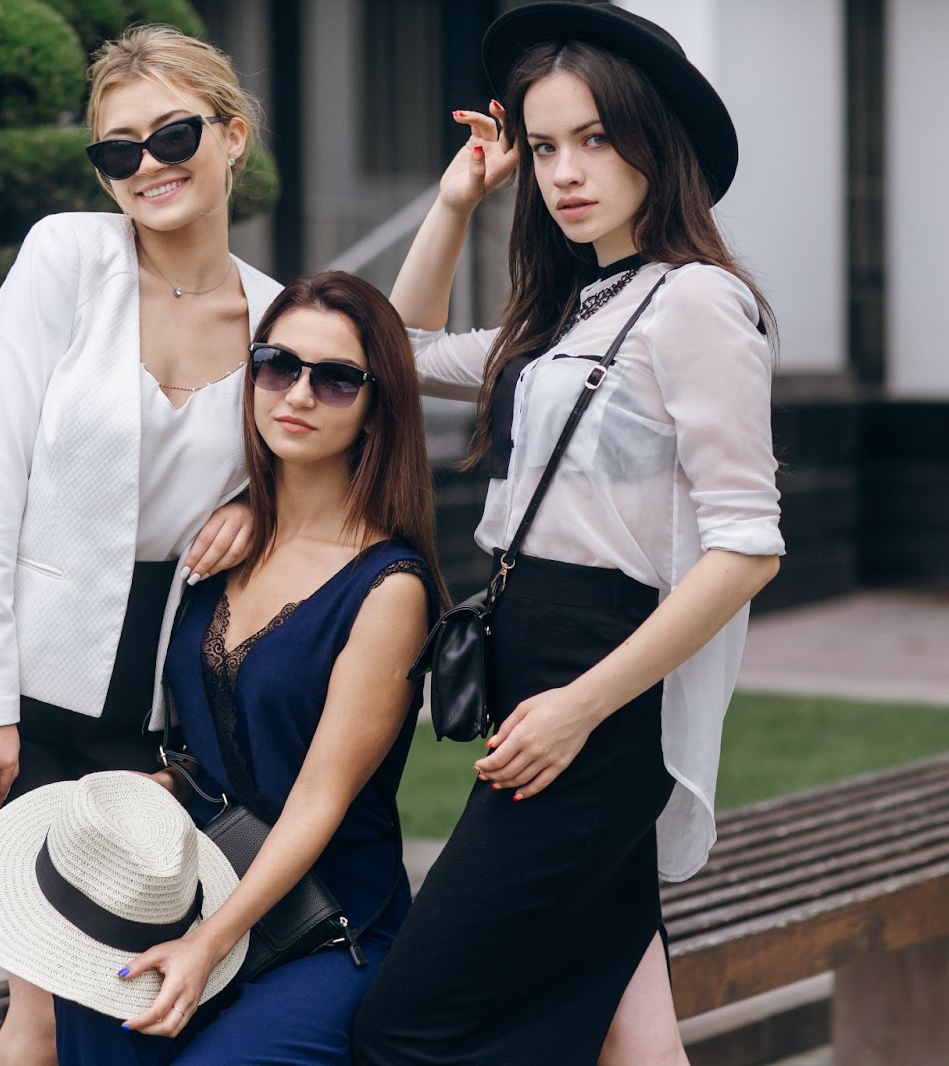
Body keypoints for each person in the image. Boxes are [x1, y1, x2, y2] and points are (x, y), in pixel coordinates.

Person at [350, 5, 785, 1065]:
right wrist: (457, 199)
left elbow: (747, 546)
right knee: (626, 1029)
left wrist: (580, 709)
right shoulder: (573, 311)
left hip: (596, 701)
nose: (563, 171)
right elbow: (394, 352)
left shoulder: (697, 304)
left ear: (654, 141)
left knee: (405, 1027)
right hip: (534, 678)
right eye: (544, 147)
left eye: (592, 138)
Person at [0, 24, 282, 1066]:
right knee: (42, 1004)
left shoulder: (279, 321)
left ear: (232, 133)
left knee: (102, 1005)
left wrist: (259, 507)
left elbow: (352, 417)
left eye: (170, 136)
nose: (146, 167)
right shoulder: (66, 256)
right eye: (118, 150)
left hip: (138, 696)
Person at [44, 271, 447, 1064]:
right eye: (276, 365)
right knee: (91, 998)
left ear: (376, 410)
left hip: (323, 922)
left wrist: (209, 944)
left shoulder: (389, 586)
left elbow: (318, 802)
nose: (297, 394)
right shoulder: (221, 540)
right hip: (188, 886)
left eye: (334, 380)